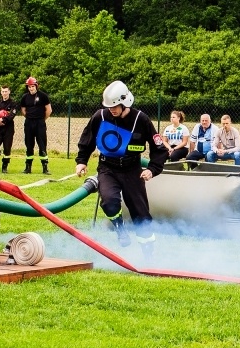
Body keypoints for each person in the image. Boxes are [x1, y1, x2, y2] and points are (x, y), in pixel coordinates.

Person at [75, 81, 169, 255]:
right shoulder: (100, 116)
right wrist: (82, 161)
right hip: (107, 168)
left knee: (141, 214)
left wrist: (152, 169)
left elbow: (159, 148)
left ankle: (148, 254)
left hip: (132, 170)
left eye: (115, 106)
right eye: (109, 106)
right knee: (109, 201)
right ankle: (120, 229)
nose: (111, 110)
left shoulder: (141, 119)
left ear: (125, 101)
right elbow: (87, 138)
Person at [19, 77, 52, 174]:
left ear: (36, 86)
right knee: (29, 145)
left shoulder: (43, 96)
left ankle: (45, 167)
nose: (31, 88)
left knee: (42, 145)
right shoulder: (24, 97)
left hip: (40, 123)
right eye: (29, 87)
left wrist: (42, 119)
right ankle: (28, 167)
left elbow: (49, 110)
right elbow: (23, 110)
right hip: (29, 123)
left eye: (32, 86)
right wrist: (29, 118)